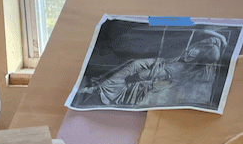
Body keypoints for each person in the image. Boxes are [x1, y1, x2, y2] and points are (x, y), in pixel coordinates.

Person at [82, 29, 228, 107]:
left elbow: (214, 54)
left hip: (167, 73)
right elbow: (205, 33)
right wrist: (219, 38)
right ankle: (100, 87)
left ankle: (106, 92)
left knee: (138, 76)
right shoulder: (201, 44)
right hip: (163, 62)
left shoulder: (206, 58)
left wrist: (220, 42)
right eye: (209, 39)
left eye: (211, 40)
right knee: (134, 64)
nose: (208, 39)